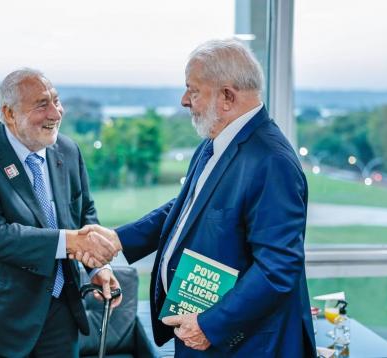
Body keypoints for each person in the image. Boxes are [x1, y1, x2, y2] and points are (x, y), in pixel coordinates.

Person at [78, 39, 316, 357]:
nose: (184, 101)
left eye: (193, 91)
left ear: (228, 97)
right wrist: (117, 240)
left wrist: (210, 325)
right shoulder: (215, 140)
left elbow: (278, 267)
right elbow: (185, 209)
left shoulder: (272, 161)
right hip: (197, 329)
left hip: (240, 342)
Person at [0, 68, 122, 357]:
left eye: (56, 100)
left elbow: (84, 213)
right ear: (9, 113)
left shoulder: (68, 150)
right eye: (42, 104)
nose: (56, 113)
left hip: (60, 317)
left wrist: (98, 267)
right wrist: (71, 242)